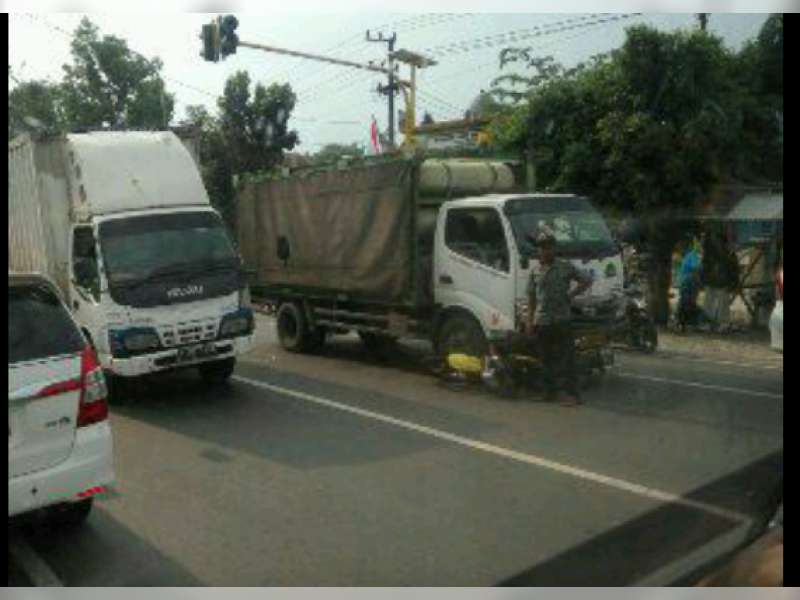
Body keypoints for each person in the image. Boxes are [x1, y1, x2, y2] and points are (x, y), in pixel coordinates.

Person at [526, 229, 593, 406]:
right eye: (542, 247)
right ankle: (549, 392)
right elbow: (531, 299)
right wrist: (530, 322)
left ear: (554, 249)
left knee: (567, 360)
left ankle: (571, 394)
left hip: (562, 320)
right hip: (542, 321)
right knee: (545, 359)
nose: (545, 251)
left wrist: (571, 295)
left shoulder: (565, 266)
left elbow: (586, 280)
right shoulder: (534, 272)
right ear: (538, 250)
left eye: (548, 247)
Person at [702, 226, 740, 332]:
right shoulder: (711, 251)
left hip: (721, 279)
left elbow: (733, 267)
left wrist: (733, 281)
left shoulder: (726, 252)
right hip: (715, 278)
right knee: (711, 300)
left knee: (720, 301)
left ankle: (719, 323)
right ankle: (711, 322)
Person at [676, 238, 703, 329]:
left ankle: (684, 322)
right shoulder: (691, 256)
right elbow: (696, 269)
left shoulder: (691, 256)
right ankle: (684, 322)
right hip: (687, 283)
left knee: (686, 302)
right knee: (686, 302)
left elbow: (696, 270)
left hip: (687, 282)